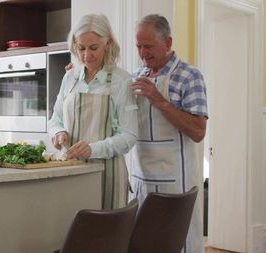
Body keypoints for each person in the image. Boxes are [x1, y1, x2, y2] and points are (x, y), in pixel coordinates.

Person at [128, 14, 208, 253]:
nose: (143, 53)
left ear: (168, 42)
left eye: (149, 46)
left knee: (176, 243)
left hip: (175, 184)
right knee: (143, 243)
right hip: (140, 179)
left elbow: (198, 131)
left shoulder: (190, 77)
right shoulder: (135, 77)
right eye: (139, 46)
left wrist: (158, 100)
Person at [48, 14, 138, 210]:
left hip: (108, 175)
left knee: (104, 237)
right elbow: (55, 119)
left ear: (107, 43)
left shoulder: (121, 81)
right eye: (81, 48)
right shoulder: (69, 78)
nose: (86, 55)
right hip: (69, 172)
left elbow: (129, 136)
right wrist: (58, 132)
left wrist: (93, 149)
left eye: (93, 48)